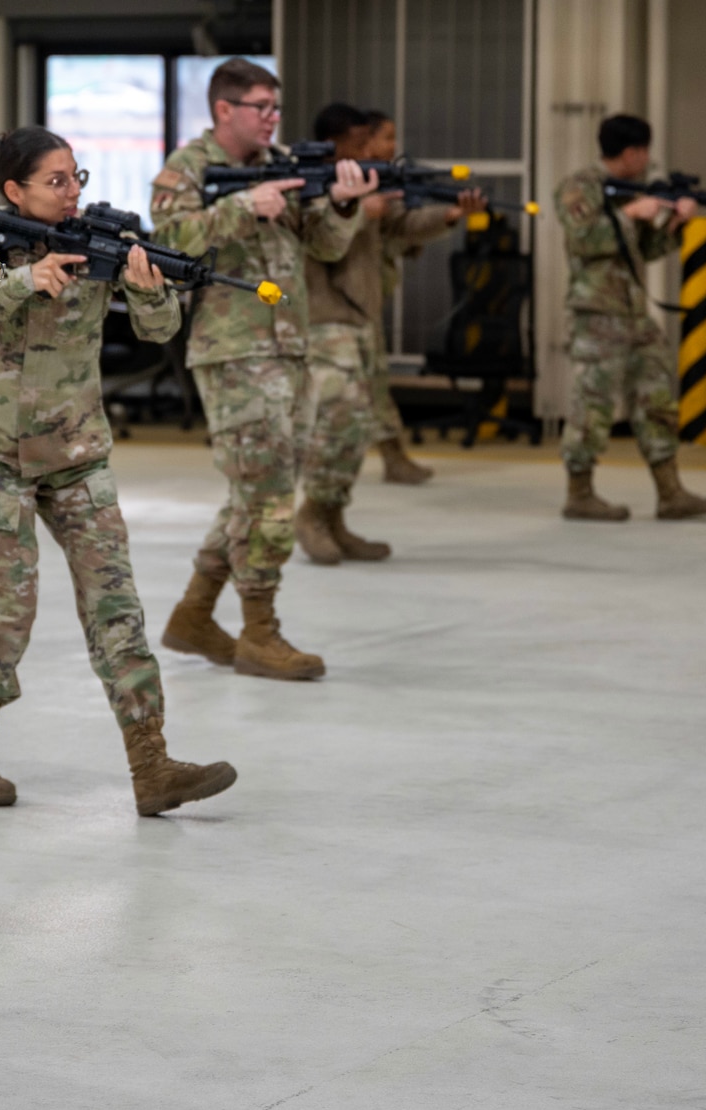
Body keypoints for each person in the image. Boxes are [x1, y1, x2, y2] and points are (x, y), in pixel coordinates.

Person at [0, 126, 236, 816]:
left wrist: (151, 291)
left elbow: (160, 331)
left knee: (116, 605)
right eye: (55, 180)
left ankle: (151, 766)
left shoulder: (101, 236)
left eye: (77, 177)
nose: (71, 192)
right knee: (12, 612)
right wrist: (15, 282)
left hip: (77, 454)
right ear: (14, 191)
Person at [148, 58, 375, 680]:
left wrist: (343, 206)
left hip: (288, 346)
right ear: (225, 110)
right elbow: (169, 242)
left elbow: (323, 248)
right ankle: (259, 632)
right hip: (235, 349)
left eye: (276, 108)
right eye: (261, 108)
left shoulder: (282, 165)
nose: (273, 118)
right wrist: (245, 206)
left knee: (255, 491)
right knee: (270, 497)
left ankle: (194, 615)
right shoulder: (187, 170)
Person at [295, 102, 486, 564]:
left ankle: (334, 516)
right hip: (322, 314)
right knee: (339, 419)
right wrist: (359, 210)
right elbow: (311, 236)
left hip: (360, 313)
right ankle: (312, 515)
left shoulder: (362, 181)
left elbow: (401, 225)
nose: (369, 151)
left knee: (359, 423)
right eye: (359, 144)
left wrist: (449, 216)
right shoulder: (305, 184)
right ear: (334, 144)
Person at [553, 114, 706, 521]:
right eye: (644, 152)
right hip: (595, 314)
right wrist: (633, 213)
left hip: (632, 313)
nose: (647, 161)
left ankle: (671, 491)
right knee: (592, 406)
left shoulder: (629, 192)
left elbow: (641, 251)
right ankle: (579, 493)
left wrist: (672, 225)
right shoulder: (580, 187)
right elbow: (585, 239)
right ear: (632, 152)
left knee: (658, 396)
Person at [360, 108, 449, 486]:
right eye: (386, 137)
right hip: (342, 303)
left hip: (367, 296)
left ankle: (394, 457)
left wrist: (448, 214)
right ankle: (392, 457)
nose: (392, 146)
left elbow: (402, 228)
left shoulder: (382, 183)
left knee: (373, 377)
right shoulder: (352, 183)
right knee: (370, 379)